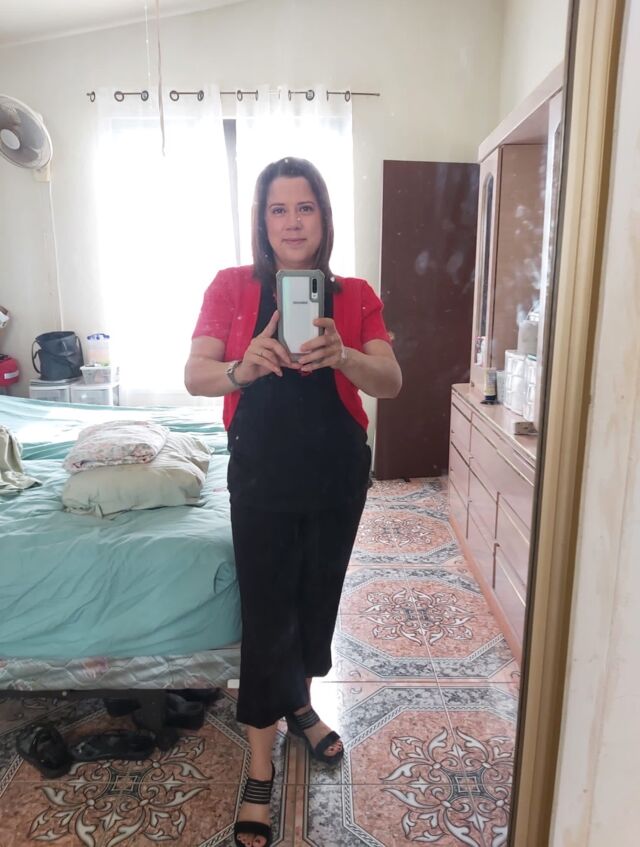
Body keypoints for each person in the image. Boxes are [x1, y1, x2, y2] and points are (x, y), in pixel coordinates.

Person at [185, 156, 401, 847]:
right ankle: (260, 762)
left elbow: (391, 380)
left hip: (337, 475)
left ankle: (301, 705)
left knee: (317, 598)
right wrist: (241, 368)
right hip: (261, 476)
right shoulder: (229, 286)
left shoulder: (356, 294)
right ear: (261, 220)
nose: (292, 221)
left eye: (304, 206)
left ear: (323, 217)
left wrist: (345, 356)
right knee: (267, 610)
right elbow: (195, 375)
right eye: (277, 209)